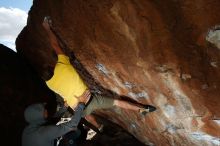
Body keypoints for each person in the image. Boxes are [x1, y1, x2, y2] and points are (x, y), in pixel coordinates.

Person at [42, 16, 157, 132]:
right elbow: (55, 45)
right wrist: (48, 29)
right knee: (117, 102)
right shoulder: (62, 66)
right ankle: (142, 109)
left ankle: (99, 128)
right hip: (89, 99)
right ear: (52, 68)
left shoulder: (49, 84)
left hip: (77, 108)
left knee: (87, 115)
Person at [22, 90, 91, 146]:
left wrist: (65, 107)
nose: (47, 112)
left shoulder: (31, 127)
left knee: (75, 130)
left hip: (45, 139)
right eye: (45, 112)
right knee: (73, 138)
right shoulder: (43, 133)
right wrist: (81, 104)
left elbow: (53, 119)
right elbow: (72, 124)